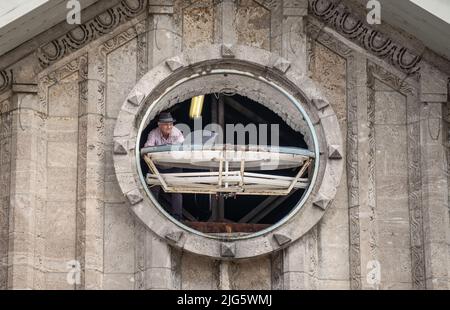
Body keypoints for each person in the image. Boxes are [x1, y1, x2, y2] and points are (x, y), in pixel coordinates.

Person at [144, 112, 184, 221]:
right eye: (166, 124)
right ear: (159, 125)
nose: (169, 126)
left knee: (177, 191)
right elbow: (147, 149)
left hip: (174, 165)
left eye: (171, 124)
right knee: (153, 189)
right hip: (156, 166)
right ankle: (152, 216)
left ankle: (177, 217)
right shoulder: (153, 134)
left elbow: (182, 149)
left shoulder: (177, 133)